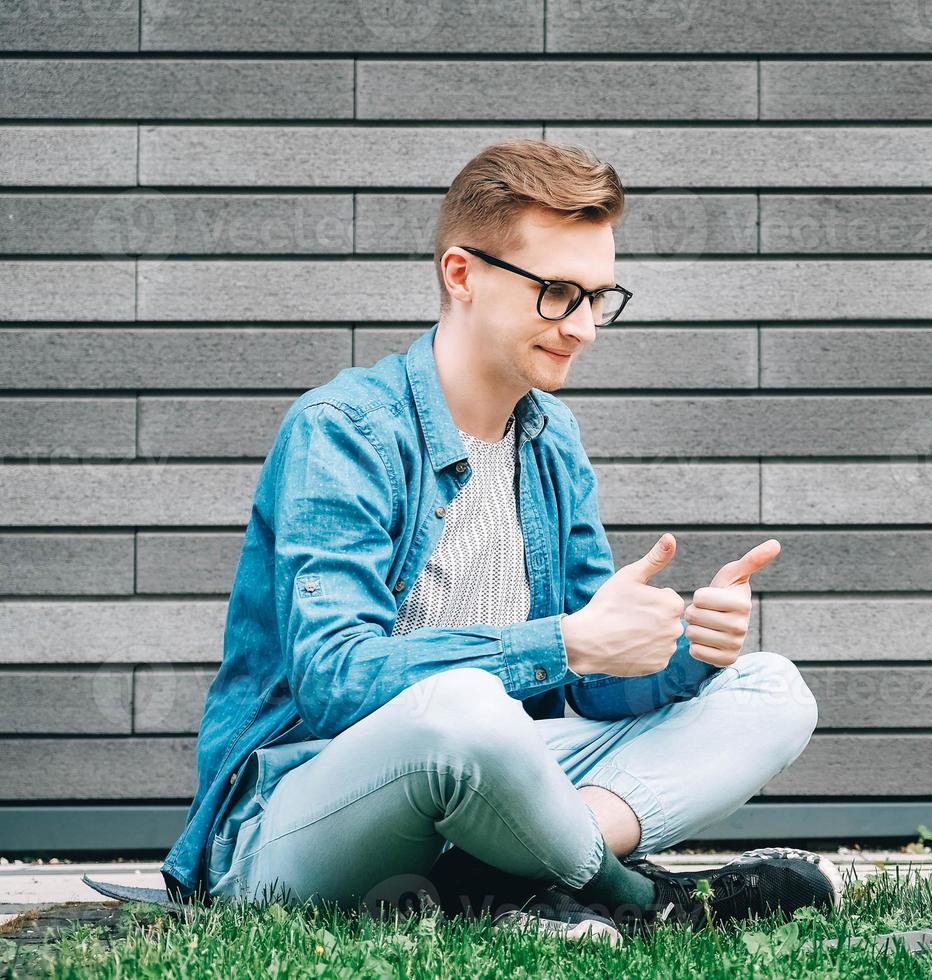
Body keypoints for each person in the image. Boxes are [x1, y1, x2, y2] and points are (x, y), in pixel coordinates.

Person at [157, 137, 838, 943]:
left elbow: (588, 684)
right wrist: (568, 642)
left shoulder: (551, 439)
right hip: (303, 812)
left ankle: (491, 876)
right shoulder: (343, 431)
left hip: (500, 780)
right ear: (462, 274)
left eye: (598, 297)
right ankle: (641, 896)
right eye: (557, 292)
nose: (582, 327)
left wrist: (682, 647)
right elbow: (334, 680)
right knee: (465, 706)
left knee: (770, 691)